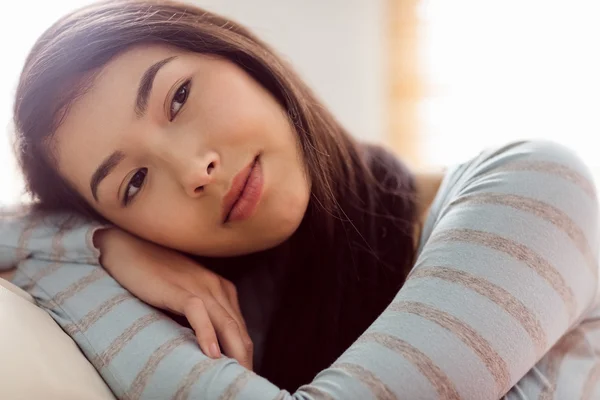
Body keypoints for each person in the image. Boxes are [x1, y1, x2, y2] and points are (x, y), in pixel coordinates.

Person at [1, 0, 599, 398]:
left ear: (239, 55)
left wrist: (81, 253)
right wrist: (104, 246)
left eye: (178, 97)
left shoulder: (534, 188)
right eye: (132, 184)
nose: (194, 170)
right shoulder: (226, 317)